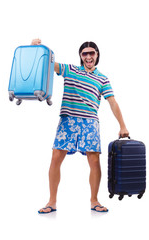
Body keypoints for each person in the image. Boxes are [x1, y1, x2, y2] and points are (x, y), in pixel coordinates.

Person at [32, 39, 129, 213]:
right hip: (68, 120)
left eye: (92, 53)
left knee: (94, 160)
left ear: (97, 55)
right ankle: (51, 202)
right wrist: (37, 48)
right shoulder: (71, 70)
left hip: (90, 122)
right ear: (81, 56)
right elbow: (49, 63)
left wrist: (122, 125)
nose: (88, 56)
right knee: (55, 157)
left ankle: (94, 201)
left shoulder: (102, 79)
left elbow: (112, 102)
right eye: (85, 53)